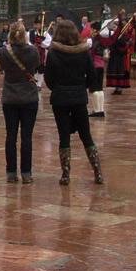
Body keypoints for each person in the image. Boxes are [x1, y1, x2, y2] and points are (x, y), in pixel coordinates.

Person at [44, 20, 102, 185]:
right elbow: (92, 77)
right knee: (86, 135)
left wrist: (58, 87)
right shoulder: (83, 52)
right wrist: (80, 87)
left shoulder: (53, 53)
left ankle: (66, 174)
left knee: (64, 137)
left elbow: (49, 79)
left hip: (60, 98)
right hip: (78, 97)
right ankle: (97, 171)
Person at [0, 25, 40, 183]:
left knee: (11, 136)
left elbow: (3, 67)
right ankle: (26, 172)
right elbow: (35, 67)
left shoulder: (3, 51)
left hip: (10, 96)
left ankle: (10, 172)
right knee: (27, 137)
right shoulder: (33, 51)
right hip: (29, 96)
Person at [88, 23, 107, 118]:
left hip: (94, 66)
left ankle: (97, 110)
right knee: (99, 88)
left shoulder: (93, 40)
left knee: (94, 88)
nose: (90, 31)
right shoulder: (101, 40)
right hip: (101, 65)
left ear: (94, 30)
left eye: (91, 29)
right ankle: (101, 110)